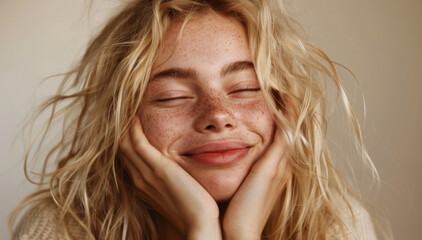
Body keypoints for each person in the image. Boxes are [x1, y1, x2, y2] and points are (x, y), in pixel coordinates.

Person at [9, 0, 381, 239]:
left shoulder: (338, 226)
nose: (217, 115)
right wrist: (200, 230)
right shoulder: (59, 230)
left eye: (246, 88)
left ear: (284, 107)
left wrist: (242, 234)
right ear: (124, 120)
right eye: (172, 97)